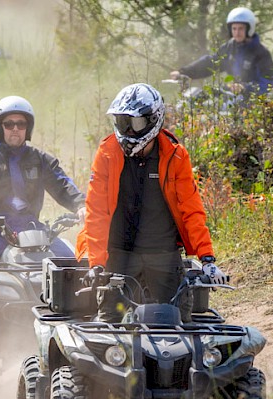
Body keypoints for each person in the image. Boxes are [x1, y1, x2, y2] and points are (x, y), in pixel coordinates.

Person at [77, 83, 228, 311]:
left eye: (134, 123)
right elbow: (95, 211)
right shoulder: (107, 153)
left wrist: (207, 258)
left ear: (153, 120)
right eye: (122, 122)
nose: (127, 131)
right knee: (112, 320)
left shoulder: (175, 156)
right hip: (119, 253)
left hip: (163, 253)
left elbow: (191, 208)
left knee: (179, 320)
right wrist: (96, 263)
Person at [0, 96, 86, 266]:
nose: (15, 129)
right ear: (0, 127)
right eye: (9, 124)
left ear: (28, 128)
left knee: (72, 266)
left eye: (21, 124)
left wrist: (81, 206)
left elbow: (62, 184)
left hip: (32, 227)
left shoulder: (40, 159)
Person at [169, 7, 273, 96]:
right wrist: (183, 72)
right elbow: (210, 63)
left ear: (250, 29)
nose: (237, 32)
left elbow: (269, 82)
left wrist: (245, 87)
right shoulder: (230, 47)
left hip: (254, 101)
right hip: (232, 95)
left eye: (241, 29)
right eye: (234, 29)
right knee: (199, 97)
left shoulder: (261, 53)